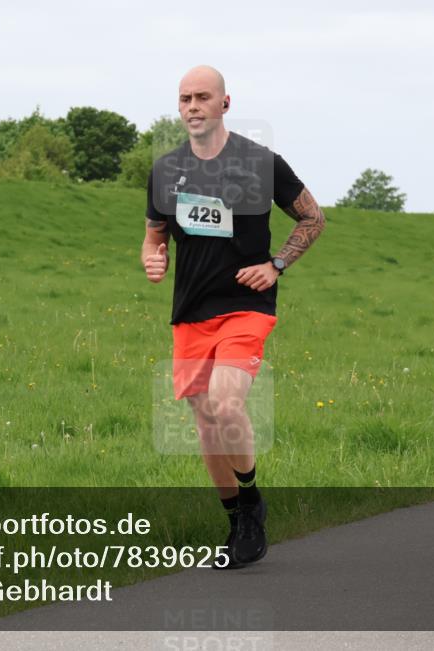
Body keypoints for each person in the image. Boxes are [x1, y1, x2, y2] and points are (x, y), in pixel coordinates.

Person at [141, 65, 325, 569]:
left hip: (245, 305)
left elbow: (313, 217)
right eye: (185, 98)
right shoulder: (165, 170)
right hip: (191, 310)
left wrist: (277, 264)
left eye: (202, 97)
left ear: (225, 103)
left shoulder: (261, 163)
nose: (192, 106)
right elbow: (154, 236)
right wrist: (153, 258)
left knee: (225, 404)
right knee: (205, 421)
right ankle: (237, 519)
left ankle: (251, 499)